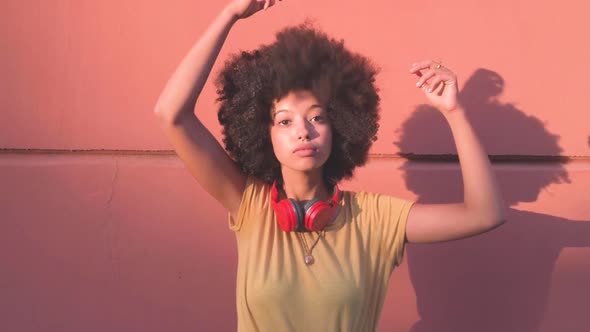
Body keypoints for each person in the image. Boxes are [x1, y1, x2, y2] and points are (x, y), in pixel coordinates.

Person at [153, 0, 507, 331]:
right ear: (264, 135)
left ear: (339, 128)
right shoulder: (249, 205)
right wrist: (229, 14)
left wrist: (454, 112)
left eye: (317, 118)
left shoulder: (374, 219)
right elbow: (172, 115)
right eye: (285, 122)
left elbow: (485, 213)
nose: (303, 132)